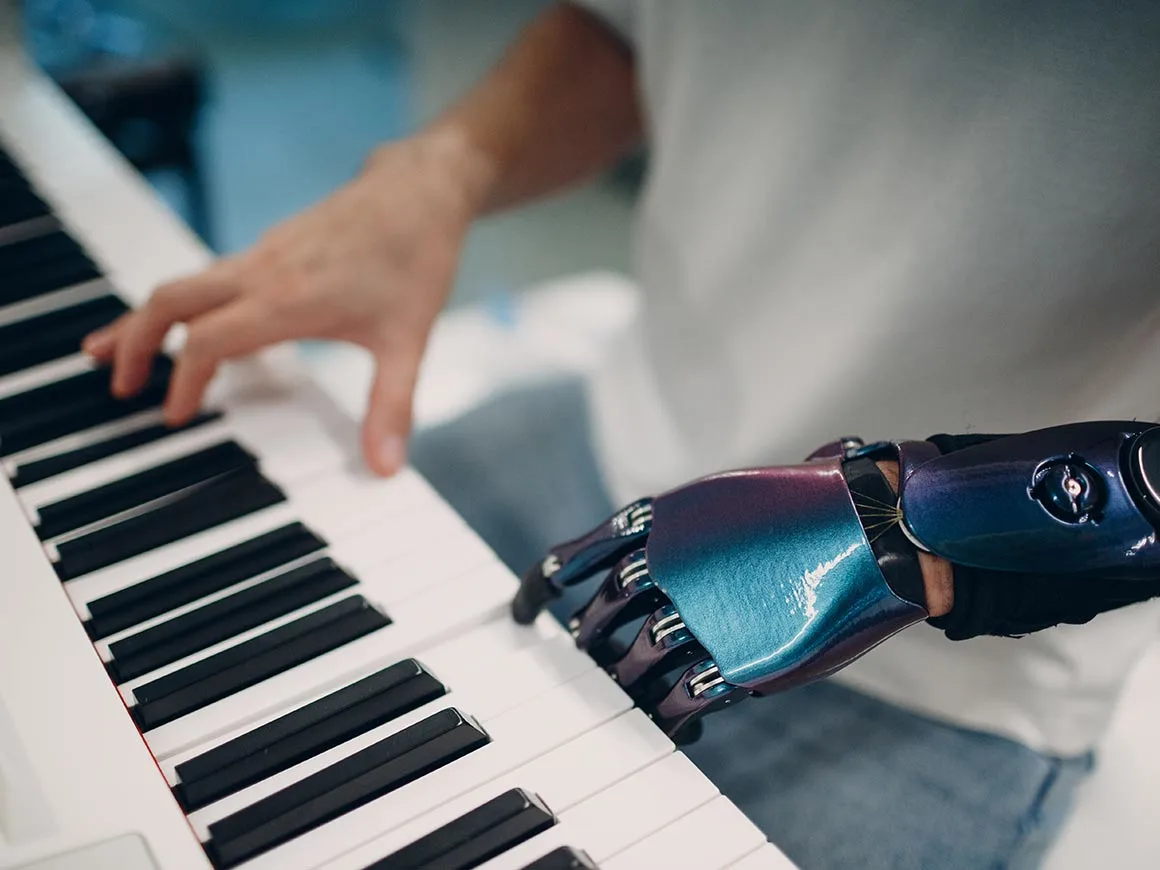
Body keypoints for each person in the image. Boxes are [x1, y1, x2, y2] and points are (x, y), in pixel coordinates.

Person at [83, 3, 1160, 867]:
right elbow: (629, 30)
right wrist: (441, 170)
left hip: (939, 689)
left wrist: (928, 517)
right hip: (612, 438)